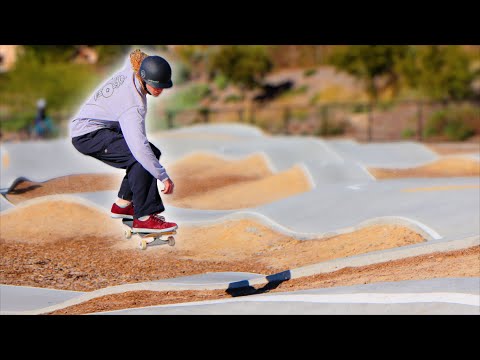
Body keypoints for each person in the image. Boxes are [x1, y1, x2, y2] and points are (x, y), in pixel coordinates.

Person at [70, 49, 177, 233]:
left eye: (162, 86)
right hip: (88, 135)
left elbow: (135, 58)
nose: (159, 90)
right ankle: (144, 217)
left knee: (152, 154)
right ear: (144, 79)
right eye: (155, 85)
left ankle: (123, 205)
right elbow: (139, 149)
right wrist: (163, 176)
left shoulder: (132, 71)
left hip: (99, 129)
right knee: (140, 159)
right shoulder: (133, 106)